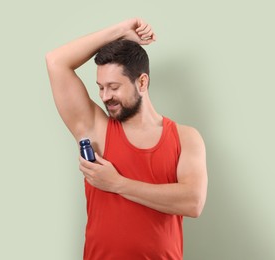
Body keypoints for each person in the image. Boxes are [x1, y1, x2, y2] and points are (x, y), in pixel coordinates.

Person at [46, 18, 208, 260]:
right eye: (100, 87)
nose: (105, 96)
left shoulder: (186, 137)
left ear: (142, 82)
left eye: (113, 86)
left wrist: (117, 183)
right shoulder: (95, 129)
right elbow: (56, 61)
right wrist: (120, 31)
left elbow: (193, 202)